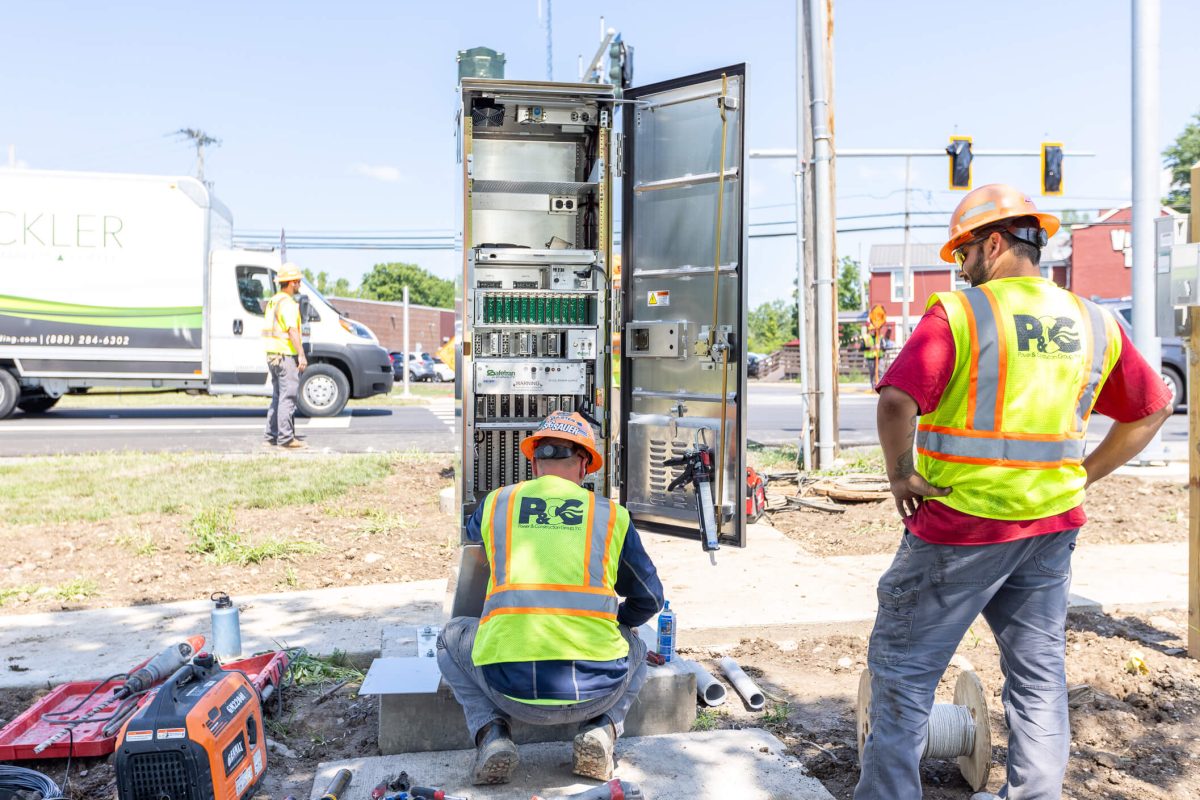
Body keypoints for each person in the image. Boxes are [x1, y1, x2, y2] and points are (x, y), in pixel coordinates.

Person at [855, 184, 1173, 800]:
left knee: (902, 678)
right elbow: (1152, 411)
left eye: (963, 254)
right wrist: (1083, 473)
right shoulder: (1094, 322)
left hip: (960, 530)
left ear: (993, 244)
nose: (960, 266)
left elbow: (896, 400)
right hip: (1049, 532)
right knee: (1038, 681)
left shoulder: (962, 314)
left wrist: (900, 474)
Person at [437, 410, 664, 786]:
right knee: (636, 644)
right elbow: (651, 600)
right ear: (586, 467)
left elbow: (472, 533)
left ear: (534, 463)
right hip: (599, 689)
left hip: (508, 687)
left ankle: (492, 735)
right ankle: (601, 731)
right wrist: (618, 622)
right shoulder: (610, 516)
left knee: (448, 637)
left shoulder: (499, 503)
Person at [262, 263, 307, 449]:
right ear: (292, 283)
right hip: (284, 355)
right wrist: (301, 355)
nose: (299, 284)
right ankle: (286, 439)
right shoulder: (288, 304)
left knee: (278, 397)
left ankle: (271, 436)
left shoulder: (274, 301)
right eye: (298, 281)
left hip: (273, 354)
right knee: (288, 396)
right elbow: (292, 331)